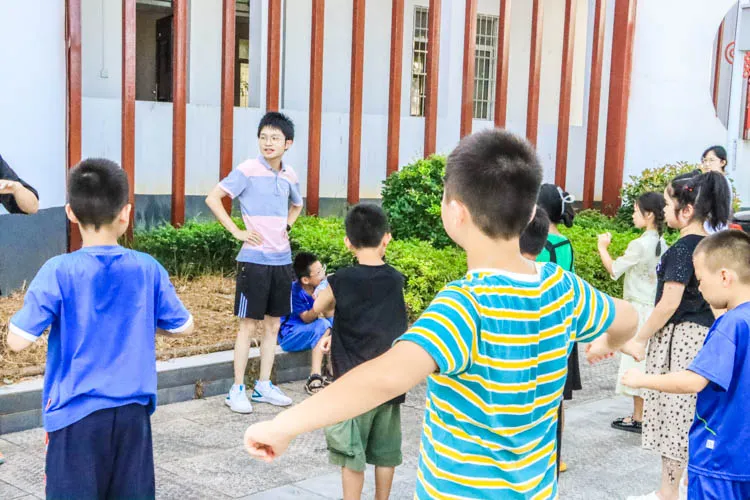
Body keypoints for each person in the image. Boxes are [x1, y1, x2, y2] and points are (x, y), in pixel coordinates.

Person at [243, 129, 639, 499]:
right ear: (531, 211)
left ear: (456, 212)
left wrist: (283, 426)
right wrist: (607, 341)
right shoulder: (563, 287)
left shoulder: (465, 306)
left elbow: (383, 377)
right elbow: (627, 317)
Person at [6, 158, 194, 499]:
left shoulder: (58, 270)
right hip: (133, 417)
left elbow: (17, 342)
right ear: (126, 213)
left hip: (74, 419)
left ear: (70, 213)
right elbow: (184, 326)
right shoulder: (147, 268)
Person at [622, 171, 731, 500]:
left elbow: (669, 301)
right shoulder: (711, 246)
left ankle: (668, 492)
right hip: (702, 337)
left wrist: (640, 338)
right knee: (692, 418)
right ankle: (678, 488)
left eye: (668, 204)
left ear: (686, 211)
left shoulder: (684, 249)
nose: (664, 209)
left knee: (674, 418)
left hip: (679, 341)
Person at [303, 203, 408, 500]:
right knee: (386, 453)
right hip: (389, 381)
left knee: (351, 455)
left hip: (352, 383)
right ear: (386, 238)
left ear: (348, 242)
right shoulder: (396, 279)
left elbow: (318, 307)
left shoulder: (340, 280)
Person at [205, 112, 304, 413]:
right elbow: (213, 198)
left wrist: (287, 226)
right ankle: (236, 389)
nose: (268, 143)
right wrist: (237, 231)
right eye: (263, 137)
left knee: (273, 324)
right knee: (248, 325)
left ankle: (263, 386)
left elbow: (297, 204)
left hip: (281, 260)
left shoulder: (289, 174)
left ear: (288, 143)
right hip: (254, 261)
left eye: (275, 138)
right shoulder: (247, 169)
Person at [597, 192, 667, 434]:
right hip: (654, 309)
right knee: (648, 362)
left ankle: (639, 417)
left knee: (635, 361)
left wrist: (602, 247)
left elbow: (614, 269)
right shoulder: (662, 244)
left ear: (649, 215)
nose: (633, 215)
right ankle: (646, 415)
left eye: (636, 211)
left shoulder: (639, 244)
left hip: (637, 309)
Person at [535, 183, 579, 473]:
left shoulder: (535, 245)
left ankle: (535, 453)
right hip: (564, 329)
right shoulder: (566, 245)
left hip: (539, 329)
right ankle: (556, 455)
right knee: (557, 398)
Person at [278, 252, 333, 395]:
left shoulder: (320, 286)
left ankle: (332, 371)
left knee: (334, 325)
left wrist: (330, 295)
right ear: (305, 280)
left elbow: (330, 314)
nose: (323, 274)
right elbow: (307, 318)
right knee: (323, 325)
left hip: (311, 331)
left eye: (322, 269)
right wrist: (320, 303)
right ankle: (315, 375)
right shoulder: (295, 291)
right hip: (290, 335)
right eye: (319, 273)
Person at [699, 146, 733, 234]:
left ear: (722, 162)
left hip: (714, 232)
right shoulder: (708, 180)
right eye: (705, 160)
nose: (707, 164)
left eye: (711, 160)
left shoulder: (722, 182)